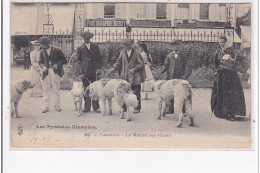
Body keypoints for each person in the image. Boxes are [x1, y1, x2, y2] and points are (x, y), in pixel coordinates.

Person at [211, 35, 246, 121]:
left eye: (223, 42)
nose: (221, 44)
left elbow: (238, 62)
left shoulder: (232, 51)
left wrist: (232, 60)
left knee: (231, 93)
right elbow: (214, 63)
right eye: (220, 42)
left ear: (226, 42)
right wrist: (215, 70)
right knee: (220, 92)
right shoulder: (218, 52)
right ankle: (221, 112)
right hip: (221, 76)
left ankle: (231, 113)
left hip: (231, 76)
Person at [110, 38, 146, 114]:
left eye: (128, 45)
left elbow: (141, 64)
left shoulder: (136, 53)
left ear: (131, 45)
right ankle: (124, 108)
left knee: (136, 92)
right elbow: (118, 62)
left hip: (135, 76)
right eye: (125, 45)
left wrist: (134, 69)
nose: (126, 47)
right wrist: (113, 68)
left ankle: (136, 107)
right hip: (125, 75)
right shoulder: (122, 52)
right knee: (123, 92)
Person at [161, 41, 192, 114]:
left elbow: (188, 66)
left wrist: (185, 76)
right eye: (174, 46)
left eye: (177, 45)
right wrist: (162, 70)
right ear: (171, 47)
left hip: (180, 77)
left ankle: (183, 110)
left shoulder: (183, 56)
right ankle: (171, 109)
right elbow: (166, 65)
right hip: (170, 77)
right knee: (171, 92)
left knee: (182, 92)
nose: (176, 47)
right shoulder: (168, 56)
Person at [38, 37, 67, 113]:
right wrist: (43, 66)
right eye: (42, 45)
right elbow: (40, 62)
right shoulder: (42, 51)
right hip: (46, 72)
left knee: (56, 89)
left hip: (55, 72)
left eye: (44, 45)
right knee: (46, 89)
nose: (43, 47)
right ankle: (46, 106)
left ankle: (57, 106)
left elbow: (64, 60)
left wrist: (57, 65)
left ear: (48, 43)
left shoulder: (57, 50)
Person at [76, 31, 102, 113]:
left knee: (95, 89)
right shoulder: (80, 48)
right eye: (85, 38)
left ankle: (96, 106)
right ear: (83, 39)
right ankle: (87, 106)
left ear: (90, 38)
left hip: (94, 71)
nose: (86, 40)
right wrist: (80, 73)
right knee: (86, 89)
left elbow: (99, 59)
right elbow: (78, 61)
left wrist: (98, 68)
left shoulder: (95, 46)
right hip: (85, 71)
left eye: (87, 38)